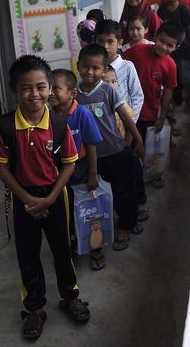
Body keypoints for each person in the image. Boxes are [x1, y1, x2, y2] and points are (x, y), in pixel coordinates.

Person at [0, 55, 90, 339]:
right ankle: (33, 308)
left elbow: (69, 164)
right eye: (26, 88)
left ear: (49, 88)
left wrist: (49, 199)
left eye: (41, 87)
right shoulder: (6, 126)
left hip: (56, 195)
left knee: (62, 250)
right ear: (13, 91)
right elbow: (0, 167)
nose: (34, 94)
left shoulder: (58, 124)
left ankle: (70, 296)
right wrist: (26, 199)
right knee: (28, 255)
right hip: (24, 199)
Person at [76, 44, 145, 250]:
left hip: (116, 150)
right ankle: (104, 225)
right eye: (85, 67)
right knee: (100, 193)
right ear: (78, 66)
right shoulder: (75, 95)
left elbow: (124, 114)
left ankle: (126, 225)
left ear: (104, 70)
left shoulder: (107, 90)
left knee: (125, 190)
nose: (90, 71)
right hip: (91, 157)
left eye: (96, 68)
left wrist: (137, 137)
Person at [48, 68, 107, 271]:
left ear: (72, 93)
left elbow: (91, 145)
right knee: (66, 210)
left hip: (81, 168)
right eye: (49, 88)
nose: (49, 93)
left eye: (56, 88)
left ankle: (95, 248)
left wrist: (93, 173)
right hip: (59, 170)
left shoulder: (81, 113)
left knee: (89, 209)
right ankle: (71, 246)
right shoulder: (48, 115)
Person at [94, 20, 148, 221]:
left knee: (133, 165)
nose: (105, 46)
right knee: (114, 172)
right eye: (101, 41)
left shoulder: (127, 66)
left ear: (120, 43)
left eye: (110, 41)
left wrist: (130, 124)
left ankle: (140, 200)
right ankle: (119, 207)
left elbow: (137, 95)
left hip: (127, 126)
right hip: (105, 131)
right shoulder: (94, 69)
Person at [123, 21, 181, 188]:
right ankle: (132, 174)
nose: (163, 46)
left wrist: (162, 117)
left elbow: (168, 92)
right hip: (129, 110)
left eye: (169, 45)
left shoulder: (170, 65)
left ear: (176, 47)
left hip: (151, 112)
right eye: (161, 41)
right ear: (154, 36)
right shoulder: (137, 51)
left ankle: (153, 174)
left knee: (151, 147)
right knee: (132, 145)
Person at [157, 0, 190, 112]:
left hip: (183, 50)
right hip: (166, 51)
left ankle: (188, 103)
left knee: (186, 77)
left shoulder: (184, 9)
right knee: (168, 80)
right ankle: (171, 104)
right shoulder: (161, 11)